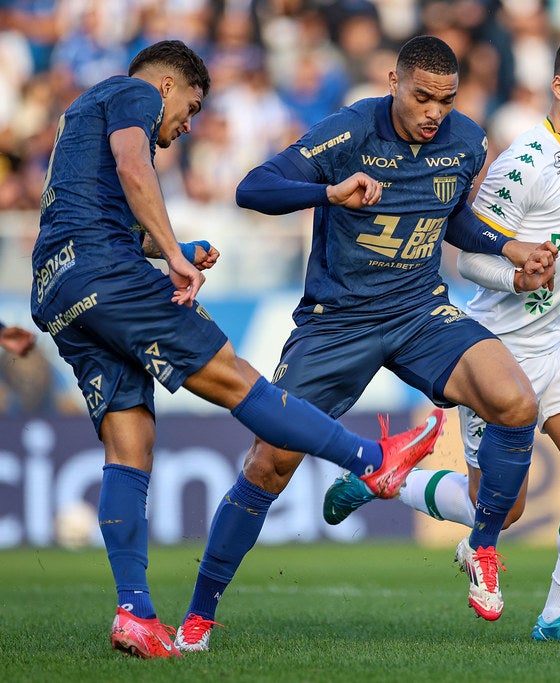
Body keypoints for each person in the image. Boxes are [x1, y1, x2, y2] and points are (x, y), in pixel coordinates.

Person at [29, 39, 447, 660]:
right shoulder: (135, 92)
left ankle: (135, 613)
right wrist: (173, 257)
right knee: (235, 379)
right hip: (107, 274)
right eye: (190, 108)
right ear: (168, 86)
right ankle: (368, 459)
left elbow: (99, 211)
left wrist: (174, 243)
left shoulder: (80, 115)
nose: (184, 126)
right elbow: (132, 166)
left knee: (130, 441)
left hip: (58, 287)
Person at [174, 35, 557, 652]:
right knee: (269, 463)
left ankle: (481, 547)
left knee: (515, 402)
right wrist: (327, 192)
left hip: (418, 311)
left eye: (446, 99)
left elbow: (447, 212)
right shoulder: (350, 130)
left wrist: (506, 245)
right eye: (422, 97)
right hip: (336, 323)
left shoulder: (466, 140)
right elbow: (254, 188)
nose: (434, 112)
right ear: (392, 82)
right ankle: (198, 618)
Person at [323, 32, 560, 642]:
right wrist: (517, 275)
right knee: (505, 507)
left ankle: (558, 616)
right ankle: (381, 479)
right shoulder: (522, 163)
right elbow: (469, 257)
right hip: (502, 345)